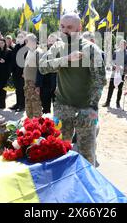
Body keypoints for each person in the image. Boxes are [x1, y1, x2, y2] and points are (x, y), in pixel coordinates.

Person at [39, 13, 106, 165]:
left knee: (87, 153)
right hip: (63, 106)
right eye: (62, 26)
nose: (64, 30)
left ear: (79, 28)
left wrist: (92, 107)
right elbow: (42, 67)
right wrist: (66, 59)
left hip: (86, 109)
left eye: (69, 27)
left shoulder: (91, 49)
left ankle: (87, 185)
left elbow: (99, 81)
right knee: (59, 150)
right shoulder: (57, 46)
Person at [102, 40, 127, 109]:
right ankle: (107, 102)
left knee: (120, 88)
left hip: (122, 73)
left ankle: (118, 103)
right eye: (120, 44)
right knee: (111, 87)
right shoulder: (115, 52)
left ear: (125, 45)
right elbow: (112, 61)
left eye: (123, 45)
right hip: (114, 72)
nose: (121, 46)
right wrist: (114, 65)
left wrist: (122, 67)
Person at [36, 34, 59, 114]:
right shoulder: (42, 52)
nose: (51, 43)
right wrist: (38, 85)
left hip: (57, 84)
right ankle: (47, 123)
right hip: (45, 83)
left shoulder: (61, 52)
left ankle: (57, 124)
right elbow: (38, 69)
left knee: (57, 108)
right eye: (49, 40)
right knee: (45, 107)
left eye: (53, 41)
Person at [23, 33, 43, 118]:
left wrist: (38, 85)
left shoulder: (39, 52)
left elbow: (41, 70)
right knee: (28, 104)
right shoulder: (29, 51)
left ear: (32, 41)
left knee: (36, 105)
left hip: (34, 84)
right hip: (27, 83)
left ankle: (37, 125)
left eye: (27, 40)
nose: (25, 42)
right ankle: (30, 125)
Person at [10, 32, 27, 112]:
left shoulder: (26, 47)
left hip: (23, 72)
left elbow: (27, 61)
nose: (20, 38)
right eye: (19, 37)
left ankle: (22, 105)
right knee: (17, 89)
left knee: (21, 89)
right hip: (15, 71)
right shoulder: (16, 46)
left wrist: (24, 72)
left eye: (21, 37)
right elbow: (13, 59)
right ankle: (17, 103)